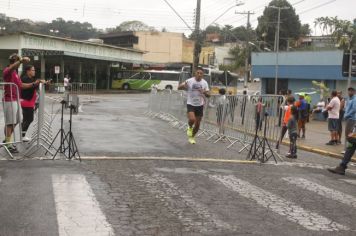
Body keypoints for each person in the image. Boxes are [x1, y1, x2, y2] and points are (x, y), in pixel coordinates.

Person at [2, 53, 38, 153]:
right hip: (9, 100)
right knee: (10, 122)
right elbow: (11, 68)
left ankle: (7, 139)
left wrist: (34, 83)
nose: (19, 65)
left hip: (16, 99)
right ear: (15, 62)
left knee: (17, 120)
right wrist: (21, 60)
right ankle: (8, 143)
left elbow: (21, 85)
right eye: (18, 62)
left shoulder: (15, 74)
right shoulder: (8, 71)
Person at [178, 67, 209, 144]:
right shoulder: (189, 81)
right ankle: (190, 127)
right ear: (195, 73)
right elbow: (178, 87)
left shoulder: (204, 83)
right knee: (192, 119)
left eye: (201, 73)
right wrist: (183, 86)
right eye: (197, 73)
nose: (199, 74)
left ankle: (192, 137)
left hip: (200, 105)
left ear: (203, 75)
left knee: (198, 124)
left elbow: (209, 95)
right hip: (190, 103)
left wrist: (204, 92)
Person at [20, 65, 47, 142]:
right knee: (29, 119)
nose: (34, 71)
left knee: (26, 119)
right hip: (26, 101)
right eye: (33, 70)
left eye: (34, 70)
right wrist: (38, 82)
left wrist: (41, 82)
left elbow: (35, 83)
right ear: (28, 71)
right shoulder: (25, 78)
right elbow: (32, 85)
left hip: (29, 101)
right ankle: (22, 135)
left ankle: (22, 134)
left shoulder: (29, 78)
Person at [341, 87, 356, 153]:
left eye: (351, 91)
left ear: (354, 92)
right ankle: (349, 149)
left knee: (349, 135)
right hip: (349, 118)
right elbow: (347, 108)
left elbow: (354, 109)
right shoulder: (349, 99)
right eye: (349, 91)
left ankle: (348, 150)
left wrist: (346, 115)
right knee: (349, 135)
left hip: (351, 119)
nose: (349, 92)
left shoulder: (354, 99)